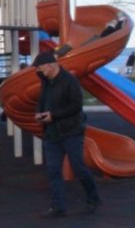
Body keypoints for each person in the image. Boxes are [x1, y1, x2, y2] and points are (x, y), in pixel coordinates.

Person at [32, 51, 100, 218]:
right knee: (53, 170)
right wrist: (39, 113)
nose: (38, 71)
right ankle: (58, 206)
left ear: (50, 65)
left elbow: (76, 105)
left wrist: (53, 115)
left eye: (40, 68)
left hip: (71, 132)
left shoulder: (70, 81)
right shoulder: (45, 81)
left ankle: (93, 198)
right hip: (51, 133)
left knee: (79, 167)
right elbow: (42, 100)